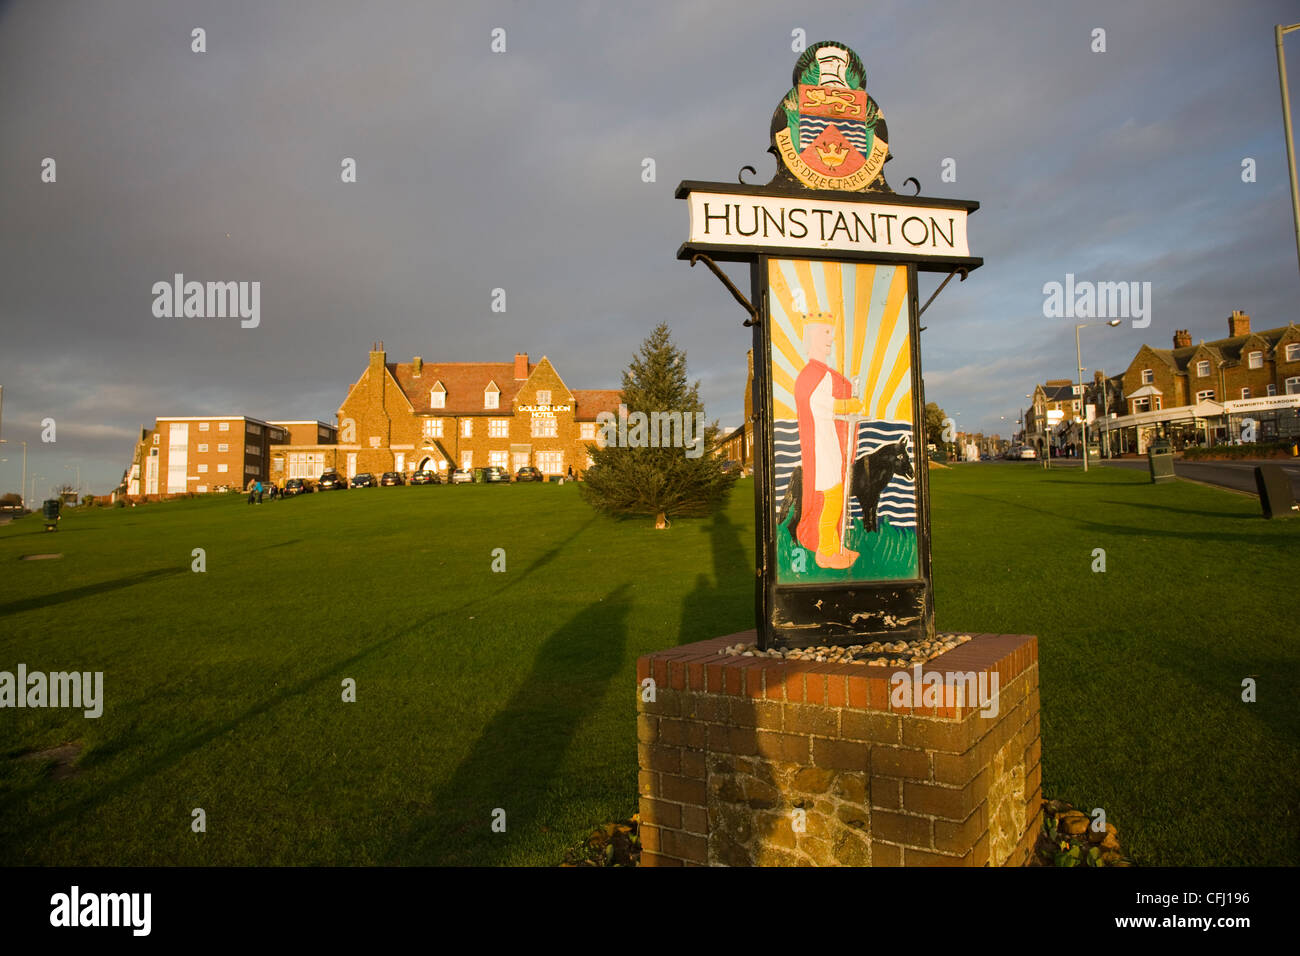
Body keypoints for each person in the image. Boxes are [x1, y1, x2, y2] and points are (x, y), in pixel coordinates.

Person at [793, 311, 867, 570]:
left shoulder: (821, 372)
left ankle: (834, 546)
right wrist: (847, 404)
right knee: (832, 497)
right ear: (812, 335)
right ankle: (825, 552)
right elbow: (817, 404)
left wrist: (846, 407)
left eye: (831, 334)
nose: (831, 339)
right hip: (821, 446)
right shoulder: (811, 374)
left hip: (828, 442)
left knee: (834, 496)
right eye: (826, 333)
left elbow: (825, 406)